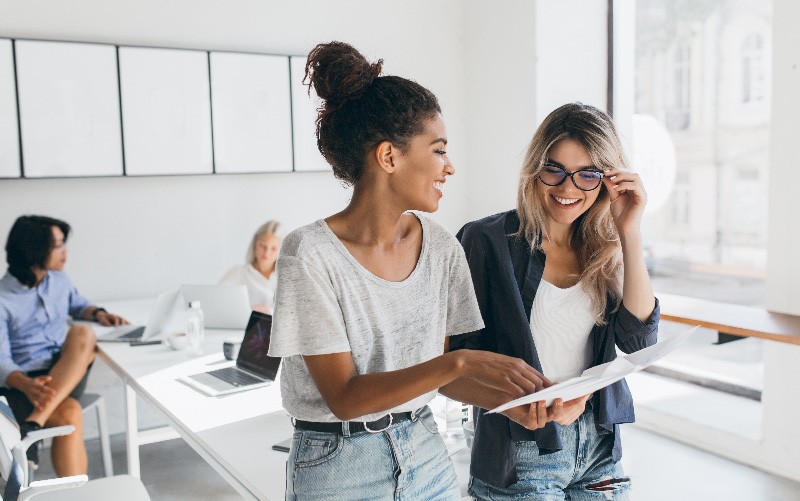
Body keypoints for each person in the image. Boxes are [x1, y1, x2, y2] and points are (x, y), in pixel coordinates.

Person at [268, 41, 548, 500]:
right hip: (337, 464)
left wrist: (514, 404)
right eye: (438, 150)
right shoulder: (310, 254)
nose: (450, 166)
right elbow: (345, 397)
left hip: (424, 451)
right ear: (389, 157)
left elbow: (440, 378)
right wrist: (456, 360)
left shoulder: (441, 248)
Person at [446, 103, 660, 500]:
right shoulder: (485, 241)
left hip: (599, 450)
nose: (567, 189)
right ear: (534, 168)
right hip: (520, 451)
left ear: (607, 180)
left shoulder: (605, 246)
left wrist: (629, 231)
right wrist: (515, 404)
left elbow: (639, 343)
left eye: (587, 175)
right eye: (554, 170)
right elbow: (453, 363)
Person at [0, 215, 127, 477]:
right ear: (34, 250)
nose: (65, 252)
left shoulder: (59, 280)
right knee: (70, 412)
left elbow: (78, 305)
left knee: (83, 332)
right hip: (22, 384)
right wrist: (27, 385)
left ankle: (36, 420)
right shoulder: (2, 298)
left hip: (64, 371)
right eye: (58, 246)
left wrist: (98, 313)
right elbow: (1, 361)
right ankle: (78, 494)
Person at [219, 220, 281, 314]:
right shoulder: (238, 272)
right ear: (255, 243)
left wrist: (268, 311)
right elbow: (218, 301)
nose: (266, 253)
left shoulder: (287, 278)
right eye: (262, 246)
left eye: (273, 249)